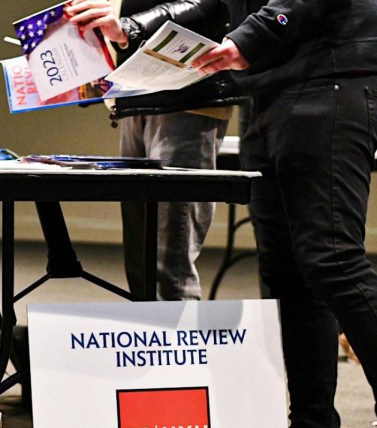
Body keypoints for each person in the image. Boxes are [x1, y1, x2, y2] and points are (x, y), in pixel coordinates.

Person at [191, 0, 377, 428]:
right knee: (286, 270)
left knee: (331, 257)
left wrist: (248, 38)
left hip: (336, 75)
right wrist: (132, 26)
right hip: (270, 89)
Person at [66, 0, 244, 300]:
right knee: (142, 263)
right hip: (134, 95)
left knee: (168, 263)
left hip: (187, 99)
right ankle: (148, 343)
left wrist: (130, 28)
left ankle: (177, 344)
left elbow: (214, 4)